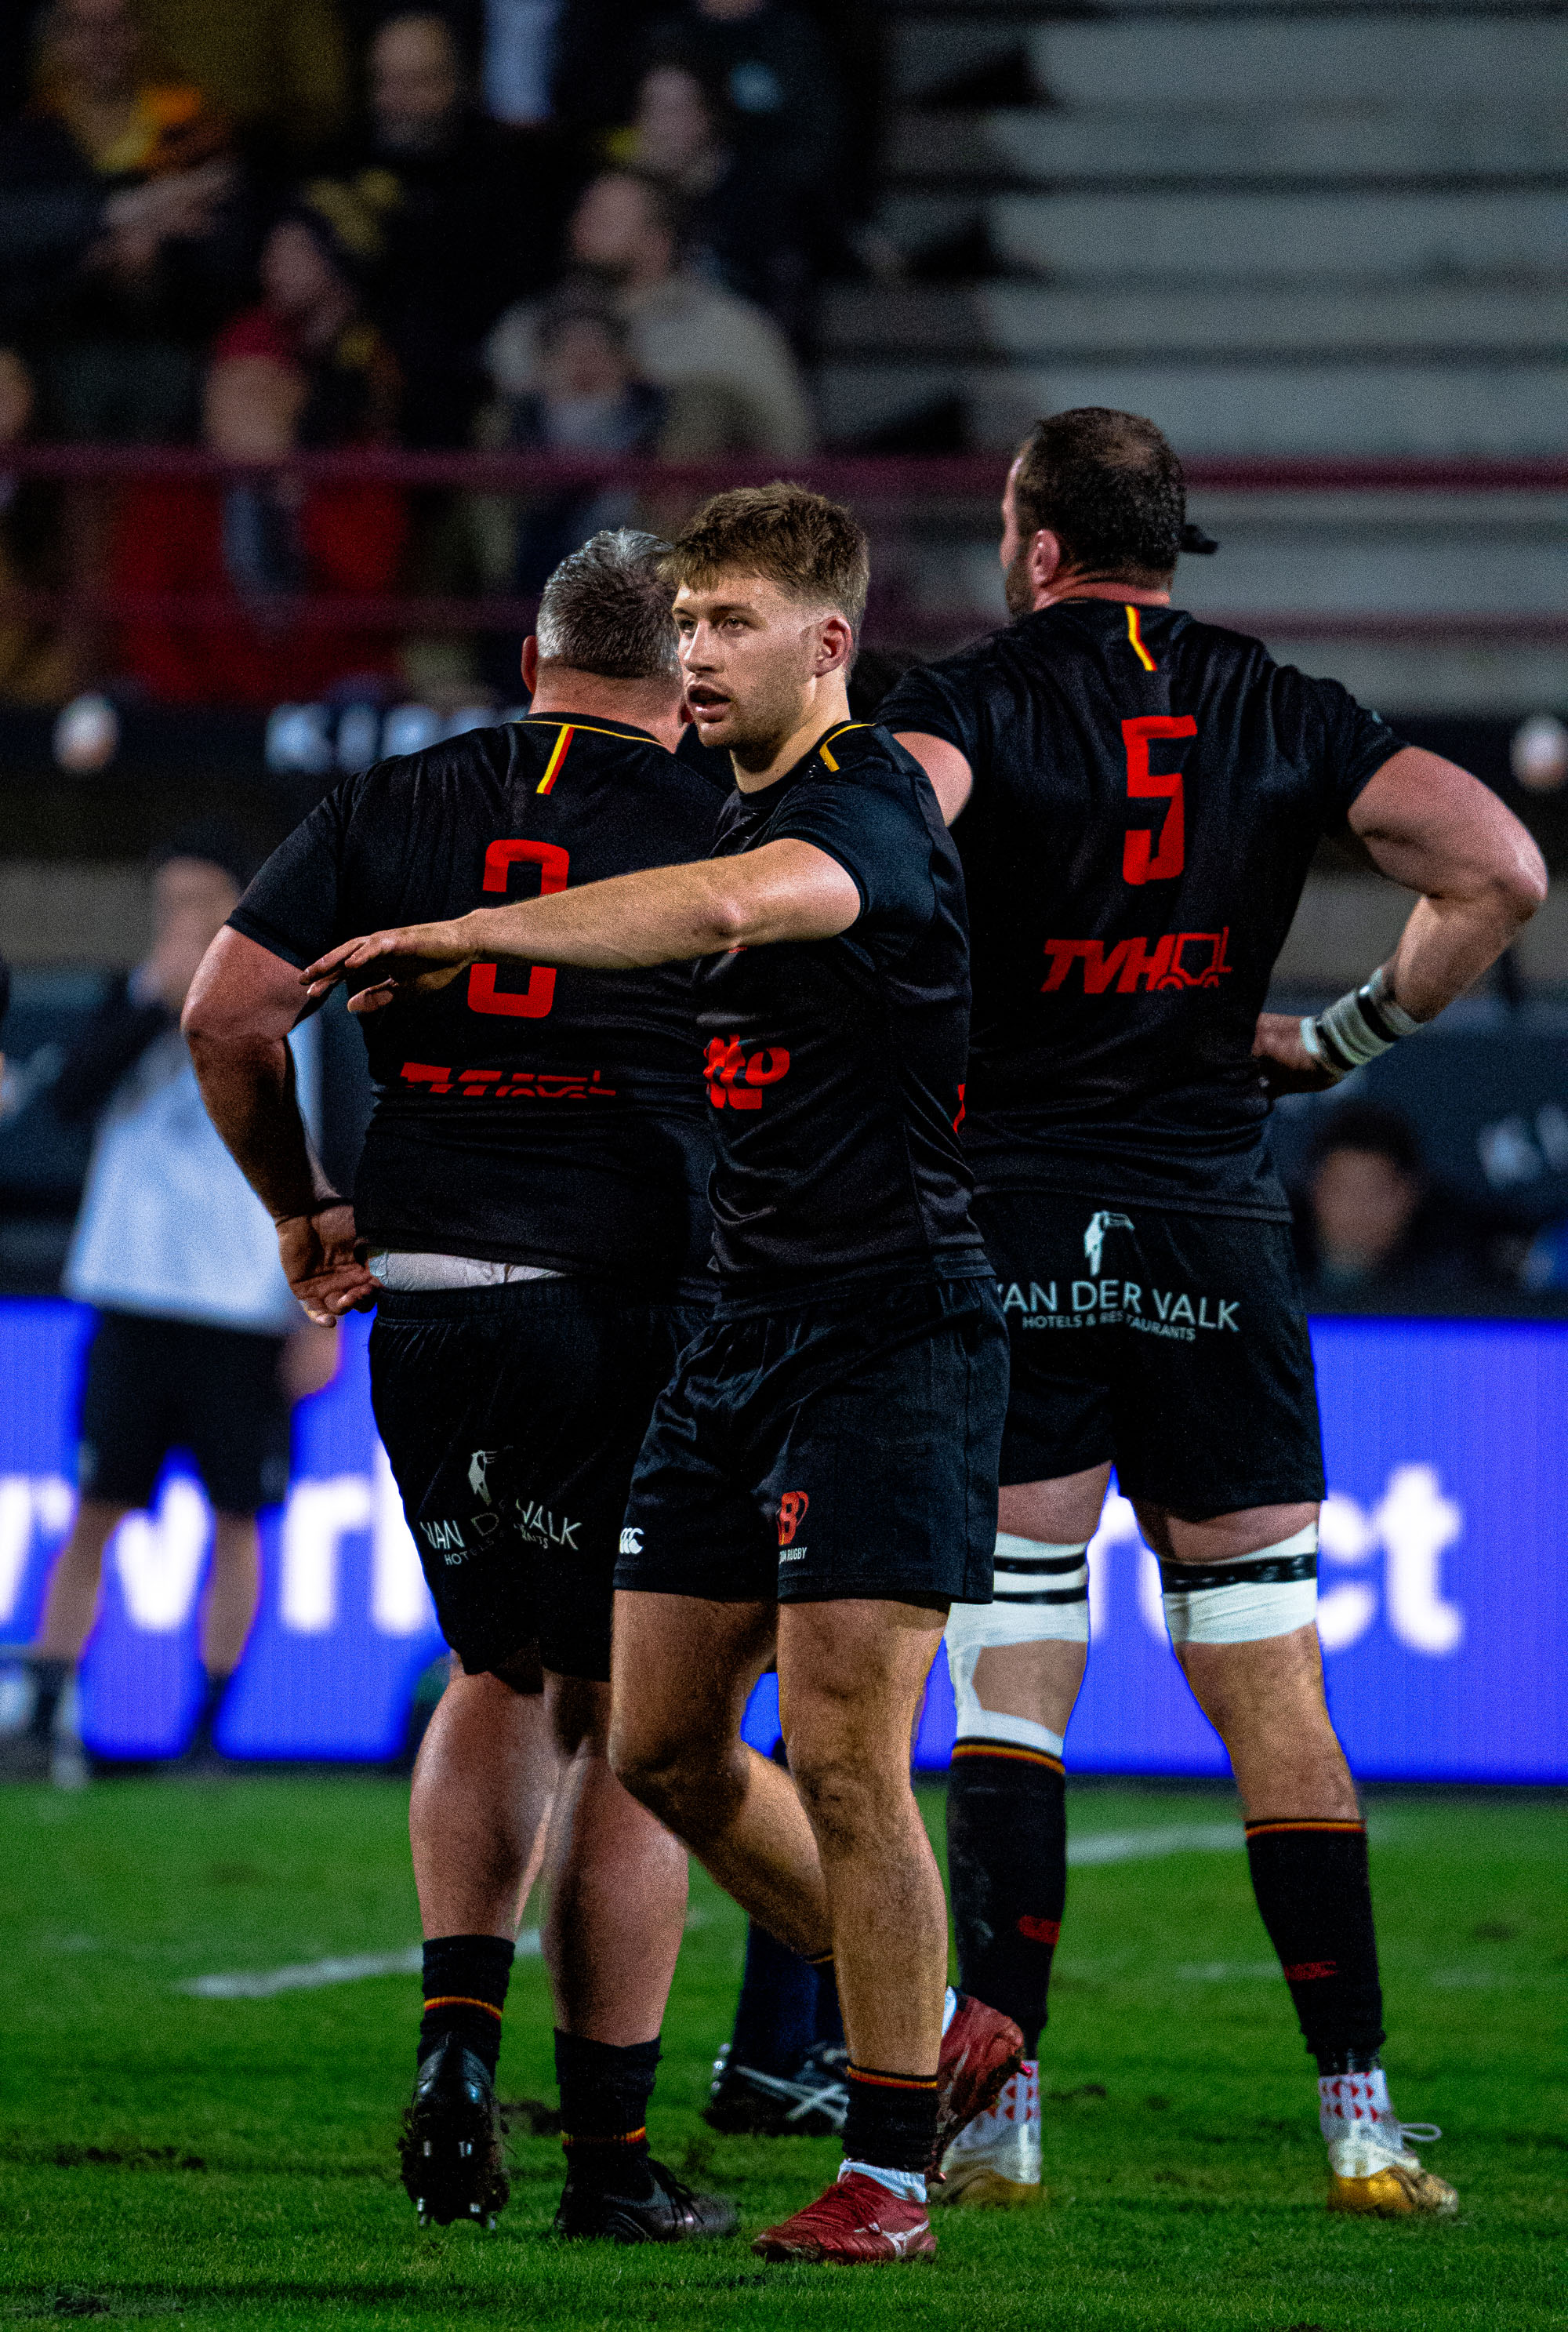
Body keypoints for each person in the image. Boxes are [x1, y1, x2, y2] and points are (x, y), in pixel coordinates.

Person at [296, 482, 1022, 2267]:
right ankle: (936, 2022)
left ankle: (888, 2169)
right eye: (685, 621)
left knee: (840, 1748)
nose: (696, 650)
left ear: (825, 643)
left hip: (884, 1331)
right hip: (729, 1334)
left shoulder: (855, 805)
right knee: (663, 1743)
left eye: (732, 622)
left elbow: (737, 899)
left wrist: (475, 933)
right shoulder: (748, 796)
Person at [876, 406, 1547, 2217]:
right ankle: (1360, 2122)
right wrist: (1340, 1037)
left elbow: (876, 852)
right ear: (1170, 545)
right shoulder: (1278, 701)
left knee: (1013, 1674)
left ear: (1033, 543)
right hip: (1206, 1225)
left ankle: (998, 2114)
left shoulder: (966, 699)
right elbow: (1498, 868)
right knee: (1271, 1681)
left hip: (1012, 1213)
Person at [183, 532, 735, 2243]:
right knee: (637, 1721)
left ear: (531, 660)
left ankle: (454, 2042)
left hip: (424, 1293)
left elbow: (226, 1015)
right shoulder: (726, 816)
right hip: (627, 1299)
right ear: (688, 681)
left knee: (498, 1668)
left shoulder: (394, 797)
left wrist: (300, 1206)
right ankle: (609, 2160)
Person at [0, 832, 338, 1786]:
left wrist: (318, 1308)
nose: (183, 919)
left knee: (239, 1518)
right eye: (170, 903)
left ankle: (208, 1733)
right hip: (134, 1291)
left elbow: (325, 1157)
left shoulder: (297, 1002)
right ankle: (46, 1711)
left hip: (241, 1304)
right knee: (96, 1505)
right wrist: (157, 995)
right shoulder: (132, 998)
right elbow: (68, 1102)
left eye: (201, 901)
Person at [111, 193, 406, 706]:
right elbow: (145, 610)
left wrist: (294, 495)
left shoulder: (349, 464)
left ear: (299, 399)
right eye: (227, 390)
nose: (240, 409)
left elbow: (372, 587)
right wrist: (195, 710)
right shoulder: (174, 482)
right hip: (202, 693)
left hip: (320, 685)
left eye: (261, 390)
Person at [0, 0, 245, 444]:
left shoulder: (190, 127)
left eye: (116, 26)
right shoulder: (29, 136)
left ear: (141, 33)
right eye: (83, 29)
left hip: (174, 339)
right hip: (54, 344)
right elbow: (15, 240)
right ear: (57, 43)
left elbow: (227, 243)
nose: (101, 44)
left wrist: (158, 261)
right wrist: (98, 253)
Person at [327, 12, 575, 448]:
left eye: (413, 84)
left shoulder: (505, 176)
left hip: (461, 384)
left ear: (454, 83)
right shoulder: (341, 161)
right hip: (343, 366)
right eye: (384, 82)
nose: (393, 101)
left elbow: (511, 296)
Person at [488, 169, 814, 456]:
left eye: (607, 219)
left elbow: (788, 444)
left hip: (682, 502)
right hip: (550, 498)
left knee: (700, 407)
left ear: (658, 242)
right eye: (585, 214)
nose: (584, 228)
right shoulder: (526, 325)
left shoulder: (731, 330)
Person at [1294, 1101, 1511, 1308]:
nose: (1358, 1210)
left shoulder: (1459, 1269)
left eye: (1376, 1192)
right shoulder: (1276, 1262)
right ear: (1315, 1190)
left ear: (1410, 1195)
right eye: (1343, 1190)